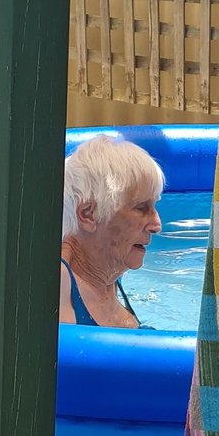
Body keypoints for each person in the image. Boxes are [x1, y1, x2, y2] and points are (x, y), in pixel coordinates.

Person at [60, 134, 163, 327]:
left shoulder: (108, 275)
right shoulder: (58, 285)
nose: (157, 225)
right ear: (89, 214)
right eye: (141, 208)